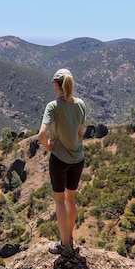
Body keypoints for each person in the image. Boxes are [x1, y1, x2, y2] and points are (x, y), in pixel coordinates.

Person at [37, 68, 87, 257]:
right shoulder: (80, 104)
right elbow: (80, 134)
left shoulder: (53, 106)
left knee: (59, 201)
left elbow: (41, 135)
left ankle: (64, 245)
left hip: (59, 160)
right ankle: (70, 239)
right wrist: (76, 149)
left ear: (57, 85)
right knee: (71, 199)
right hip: (78, 159)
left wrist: (49, 146)